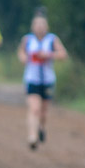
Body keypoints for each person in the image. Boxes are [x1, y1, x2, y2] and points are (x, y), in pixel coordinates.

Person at [17, 14, 69, 150]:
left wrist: (49, 55)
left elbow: (63, 54)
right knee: (34, 109)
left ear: (47, 27)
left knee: (43, 112)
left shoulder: (52, 39)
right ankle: (32, 136)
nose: (39, 27)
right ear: (32, 26)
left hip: (47, 80)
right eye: (37, 24)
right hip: (31, 79)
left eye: (42, 24)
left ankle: (41, 127)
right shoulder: (27, 40)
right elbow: (21, 53)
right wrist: (24, 58)